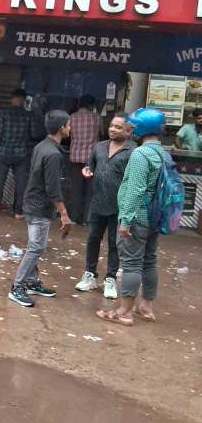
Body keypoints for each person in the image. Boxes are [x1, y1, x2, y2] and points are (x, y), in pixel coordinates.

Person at [96, 108, 165, 327]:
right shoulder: (163, 153)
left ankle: (124, 312)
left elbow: (135, 189)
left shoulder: (140, 154)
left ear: (142, 128)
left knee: (132, 263)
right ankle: (146, 307)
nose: (132, 129)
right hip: (155, 217)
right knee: (149, 260)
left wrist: (125, 220)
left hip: (138, 217)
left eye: (134, 126)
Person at [8, 110, 72, 308]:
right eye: (68, 124)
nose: (70, 128)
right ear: (61, 128)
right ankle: (17, 287)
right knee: (36, 247)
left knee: (34, 244)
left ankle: (32, 282)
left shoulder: (42, 146)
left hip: (32, 202)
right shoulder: (53, 154)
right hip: (39, 206)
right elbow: (52, 188)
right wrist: (64, 213)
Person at [74, 116, 135, 300]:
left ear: (128, 132)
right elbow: (89, 165)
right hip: (97, 202)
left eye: (118, 127)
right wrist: (86, 170)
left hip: (119, 206)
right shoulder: (99, 146)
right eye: (111, 126)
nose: (113, 129)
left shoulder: (133, 151)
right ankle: (90, 275)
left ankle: (110, 279)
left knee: (114, 243)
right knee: (93, 239)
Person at [0, 88, 31, 219]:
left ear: (12, 99)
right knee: (20, 184)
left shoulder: (4, 113)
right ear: (23, 100)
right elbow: (33, 134)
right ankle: (18, 212)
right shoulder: (28, 115)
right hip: (21, 154)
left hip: (3, 153)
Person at [68, 95, 102, 224]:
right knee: (90, 191)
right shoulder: (97, 118)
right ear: (91, 105)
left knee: (75, 190)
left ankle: (73, 218)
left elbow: (68, 134)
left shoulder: (72, 117)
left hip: (75, 158)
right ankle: (86, 220)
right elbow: (102, 133)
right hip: (91, 159)